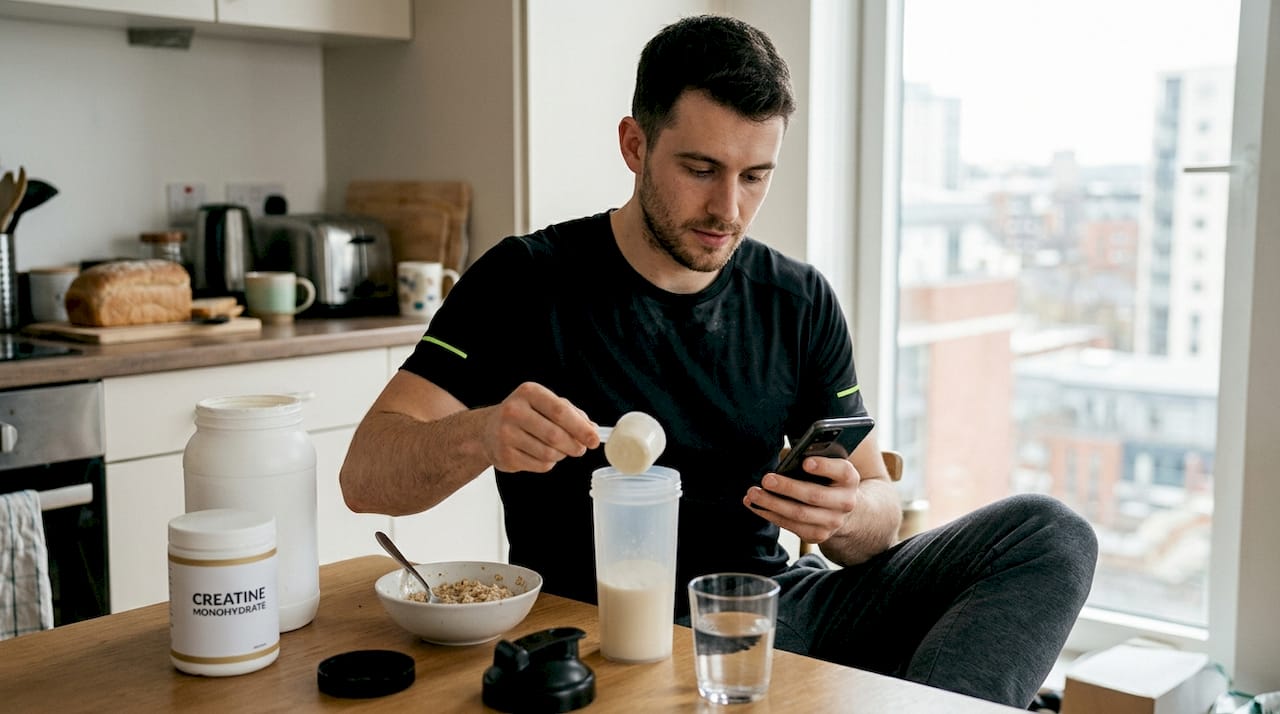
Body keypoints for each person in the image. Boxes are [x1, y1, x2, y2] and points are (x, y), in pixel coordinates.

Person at [340, 14, 1097, 708]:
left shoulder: (797, 299)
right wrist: (482, 432)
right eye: (701, 169)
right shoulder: (525, 280)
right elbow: (365, 474)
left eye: (755, 176)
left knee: (1051, 535)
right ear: (635, 146)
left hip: (779, 609)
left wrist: (844, 514)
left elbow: (878, 512)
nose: (728, 209)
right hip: (611, 635)